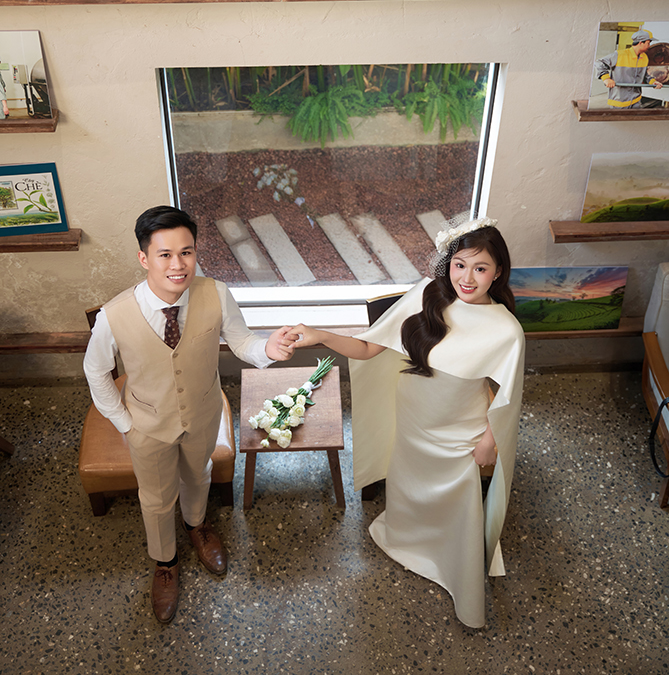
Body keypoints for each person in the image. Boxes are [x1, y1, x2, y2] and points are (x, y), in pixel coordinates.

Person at [282, 217, 525, 628]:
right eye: (460, 265)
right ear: (449, 264)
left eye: (480, 268)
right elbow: (367, 349)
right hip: (413, 418)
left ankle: (454, 565)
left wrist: (490, 439)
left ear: (498, 272)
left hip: (459, 431)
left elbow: (507, 397)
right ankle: (405, 539)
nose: (467, 278)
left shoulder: (507, 331)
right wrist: (320, 335)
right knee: (409, 485)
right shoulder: (427, 295)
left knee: (453, 498)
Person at [83, 205, 294, 624]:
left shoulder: (216, 293)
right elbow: (95, 371)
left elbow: (242, 341)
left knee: (197, 475)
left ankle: (197, 525)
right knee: (156, 498)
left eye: (186, 252)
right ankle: (165, 562)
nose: (178, 265)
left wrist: (267, 349)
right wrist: (125, 424)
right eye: (165, 254)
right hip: (146, 424)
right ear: (144, 258)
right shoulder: (114, 315)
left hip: (202, 412)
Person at [593, 27, 661, 109]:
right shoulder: (619, 55)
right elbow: (599, 62)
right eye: (648, 43)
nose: (649, 46)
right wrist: (606, 78)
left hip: (636, 101)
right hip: (619, 102)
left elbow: (644, 74)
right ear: (640, 43)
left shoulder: (644, 57)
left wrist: (653, 82)